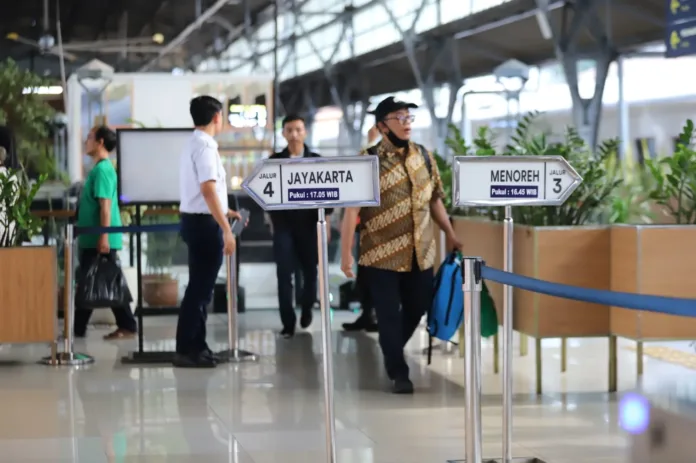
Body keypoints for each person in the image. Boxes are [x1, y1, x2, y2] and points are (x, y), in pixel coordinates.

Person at [340, 96, 462, 394]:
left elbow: (434, 200)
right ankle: (398, 371)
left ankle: (391, 347)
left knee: (418, 306)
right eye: (399, 118)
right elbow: (352, 211)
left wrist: (450, 234)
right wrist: (346, 255)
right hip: (380, 254)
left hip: (420, 252)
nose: (407, 124)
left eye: (409, 118)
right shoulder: (367, 161)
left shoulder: (424, 156)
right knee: (388, 313)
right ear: (382, 126)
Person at [176, 95, 244, 368]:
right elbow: (206, 189)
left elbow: (204, 192)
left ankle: (197, 346)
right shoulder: (205, 147)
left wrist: (226, 211)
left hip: (196, 220)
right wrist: (227, 229)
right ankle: (187, 349)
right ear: (217, 117)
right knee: (200, 291)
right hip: (204, 226)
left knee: (199, 289)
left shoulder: (193, 143)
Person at [267, 115, 333, 339]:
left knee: (310, 272)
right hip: (283, 226)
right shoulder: (275, 160)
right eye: (289, 130)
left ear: (305, 132)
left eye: (298, 129)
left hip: (310, 226)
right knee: (284, 275)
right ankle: (288, 322)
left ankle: (307, 310)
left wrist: (327, 225)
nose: (294, 134)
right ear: (284, 134)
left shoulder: (317, 160)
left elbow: (327, 195)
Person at [73, 126, 138, 340]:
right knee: (96, 281)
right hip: (93, 237)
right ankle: (78, 330)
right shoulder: (100, 168)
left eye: (90, 137)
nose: (86, 141)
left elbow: (105, 206)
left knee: (100, 282)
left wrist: (103, 236)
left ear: (100, 142)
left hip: (99, 239)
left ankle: (79, 331)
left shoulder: (102, 170)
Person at [342, 124, 381, 333]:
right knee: (365, 272)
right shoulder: (370, 151)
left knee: (375, 273)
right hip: (365, 227)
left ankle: (374, 315)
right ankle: (367, 314)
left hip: (382, 229)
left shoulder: (391, 154)